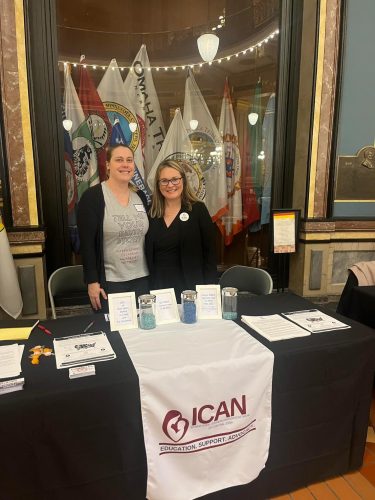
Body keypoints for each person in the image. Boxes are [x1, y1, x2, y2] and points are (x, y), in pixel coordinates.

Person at [77, 144, 149, 311]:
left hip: (143, 280)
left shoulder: (140, 196)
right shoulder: (92, 198)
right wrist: (92, 282)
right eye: (119, 160)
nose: (125, 164)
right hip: (110, 284)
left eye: (129, 160)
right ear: (108, 165)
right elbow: (87, 245)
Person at [146, 159, 217, 299]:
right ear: (158, 184)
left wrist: (209, 289)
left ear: (183, 180)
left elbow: (210, 253)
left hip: (190, 286)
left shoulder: (198, 210)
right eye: (164, 181)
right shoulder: (151, 212)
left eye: (175, 179)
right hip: (158, 287)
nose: (170, 185)